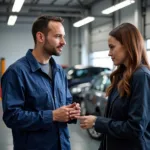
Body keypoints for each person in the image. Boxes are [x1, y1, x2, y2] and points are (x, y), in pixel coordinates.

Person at [1, 15, 81, 150]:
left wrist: (71, 112)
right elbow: (12, 117)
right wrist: (52, 115)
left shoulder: (59, 72)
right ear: (40, 37)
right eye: (58, 36)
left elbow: (66, 102)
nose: (64, 42)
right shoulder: (17, 72)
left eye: (64, 36)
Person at [77, 23, 150, 150]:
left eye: (112, 47)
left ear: (127, 46)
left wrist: (96, 122)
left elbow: (135, 128)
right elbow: (112, 127)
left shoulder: (141, 76)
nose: (109, 53)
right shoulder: (121, 75)